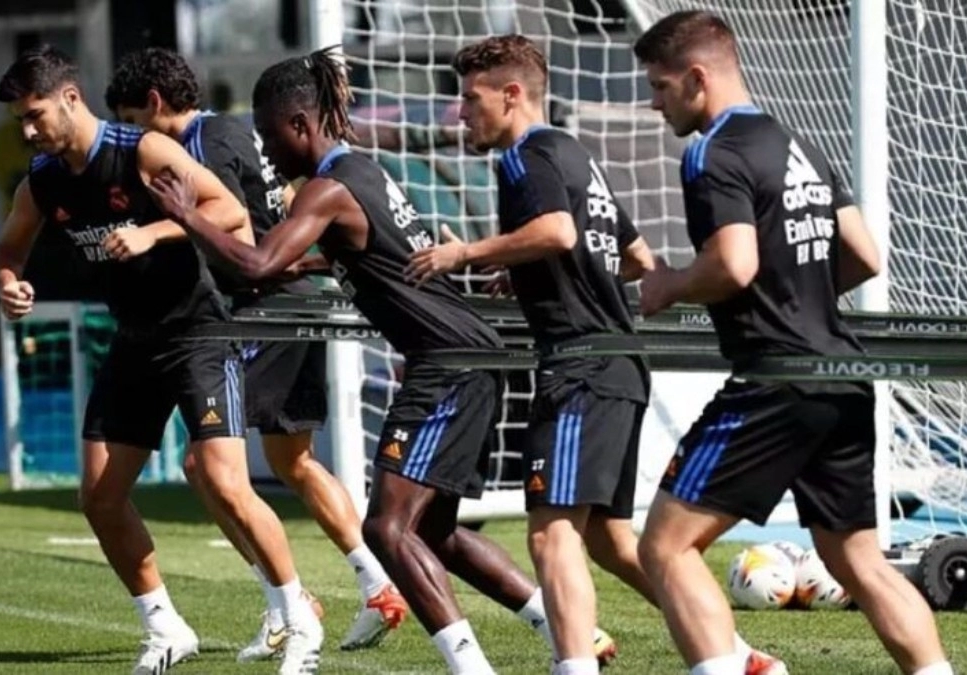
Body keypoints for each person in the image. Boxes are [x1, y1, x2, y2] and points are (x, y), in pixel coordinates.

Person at [146, 46, 617, 675]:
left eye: (269, 135)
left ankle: (471, 669)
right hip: (468, 358)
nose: (267, 151)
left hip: (448, 364)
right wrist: (311, 263)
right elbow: (370, 253)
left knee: (387, 530)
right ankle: (564, 629)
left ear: (299, 125)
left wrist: (185, 215)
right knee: (434, 535)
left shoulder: (328, 188)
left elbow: (258, 263)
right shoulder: (361, 171)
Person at [408, 34, 782, 675]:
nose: (461, 113)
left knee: (549, 533)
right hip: (618, 365)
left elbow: (558, 231)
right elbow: (635, 258)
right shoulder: (572, 152)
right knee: (609, 542)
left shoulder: (526, 156)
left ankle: (575, 668)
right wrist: (527, 271)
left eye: (471, 99)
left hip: (581, 367)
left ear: (512, 95)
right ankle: (740, 655)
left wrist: (466, 252)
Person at [631, 11, 951, 675]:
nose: (655, 104)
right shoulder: (796, 141)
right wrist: (797, 293)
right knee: (857, 560)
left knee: (665, 545)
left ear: (697, 78)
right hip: (841, 373)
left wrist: (668, 286)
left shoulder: (711, 151)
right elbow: (864, 255)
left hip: (774, 380)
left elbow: (734, 264)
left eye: (660, 87)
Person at [0, 45, 322, 675]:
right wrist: (7, 283)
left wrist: (153, 231)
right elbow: (8, 248)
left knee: (225, 482)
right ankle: (166, 627)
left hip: (198, 332)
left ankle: (299, 618)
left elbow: (229, 212)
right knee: (100, 497)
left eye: (35, 115)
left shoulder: (143, 150)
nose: (28, 131)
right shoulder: (43, 181)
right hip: (134, 338)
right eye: (20, 122)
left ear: (69, 99)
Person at [106, 46, 407, 658]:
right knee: (293, 460)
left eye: (133, 122)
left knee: (206, 466)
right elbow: (283, 203)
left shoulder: (203, 145)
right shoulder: (236, 132)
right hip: (293, 305)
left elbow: (233, 223)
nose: (134, 139)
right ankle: (377, 584)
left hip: (263, 308)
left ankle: (285, 603)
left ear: (155, 104)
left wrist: (154, 234)